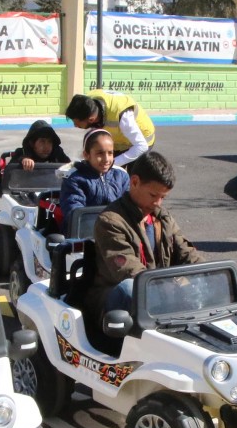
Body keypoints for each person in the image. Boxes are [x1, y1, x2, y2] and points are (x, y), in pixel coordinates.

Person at [87, 151, 201, 318]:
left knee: (198, 287)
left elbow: (185, 251)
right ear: (134, 182)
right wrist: (169, 287)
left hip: (158, 290)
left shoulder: (162, 217)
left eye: (163, 197)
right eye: (153, 195)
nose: (157, 203)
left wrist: (208, 278)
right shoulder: (111, 221)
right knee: (130, 289)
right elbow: (128, 270)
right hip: (116, 299)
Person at [60, 128, 130, 229]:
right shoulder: (75, 179)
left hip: (117, 231)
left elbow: (130, 206)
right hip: (85, 235)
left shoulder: (121, 176)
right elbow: (73, 211)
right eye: (100, 153)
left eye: (110, 153)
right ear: (86, 155)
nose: (106, 159)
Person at [64, 91, 155, 166]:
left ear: (91, 119)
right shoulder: (87, 103)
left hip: (140, 142)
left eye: (76, 123)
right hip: (119, 142)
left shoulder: (124, 118)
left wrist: (112, 164)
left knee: (133, 179)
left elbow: (141, 147)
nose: (75, 126)